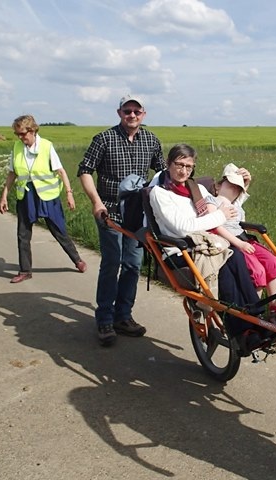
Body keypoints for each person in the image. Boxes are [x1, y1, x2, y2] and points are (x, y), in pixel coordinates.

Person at [148, 144, 269, 355]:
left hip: (205, 245)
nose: (184, 171)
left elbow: (225, 210)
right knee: (223, 267)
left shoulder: (197, 189)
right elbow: (182, 227)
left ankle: (256, 319)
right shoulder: (159, 193)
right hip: (179, 250)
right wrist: (219, 215)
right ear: (168, 164)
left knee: (235, 256)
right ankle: (241, 333)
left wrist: (240, 191)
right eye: (179, 164)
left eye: (189, 166)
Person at [78, 95, 165, 347]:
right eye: (127, 111)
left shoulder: (151, 140)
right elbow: (85, 170)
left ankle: (123, 316)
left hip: (137, 214)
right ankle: (104, 318)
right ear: (119, 113)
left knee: (133, 265)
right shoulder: (104, 139)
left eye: (137, 111)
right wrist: (96, 202)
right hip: (111, 213)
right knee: (112, 262)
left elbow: (161, 174)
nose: (132, 115)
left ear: (144, 114)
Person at [0, 114, 87, 284]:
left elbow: (61, 171)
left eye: (23, 133)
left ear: (32, 131)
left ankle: (77, 260)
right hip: (26, 195)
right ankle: (25, 271)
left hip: (48, 196)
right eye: (18, 134)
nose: (20, 137)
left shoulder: (46, 146)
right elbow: (12, 173)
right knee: (23, 234)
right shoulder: (17, 148)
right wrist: (4, 196)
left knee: (58, 231)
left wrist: (69, 193)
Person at [205, 163, 276, 326]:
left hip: (244, 239)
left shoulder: (236, 203)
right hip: (228, 242)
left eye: (238, 187)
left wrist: (246, 181)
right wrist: (239, 244)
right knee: (257, 271)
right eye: (231, 184)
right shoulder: (211, 200)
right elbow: (215, 226)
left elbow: (241, 193)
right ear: (218, 185)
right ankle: (254, 313)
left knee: (272, 262)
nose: (235, 189)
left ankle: (275, 312)